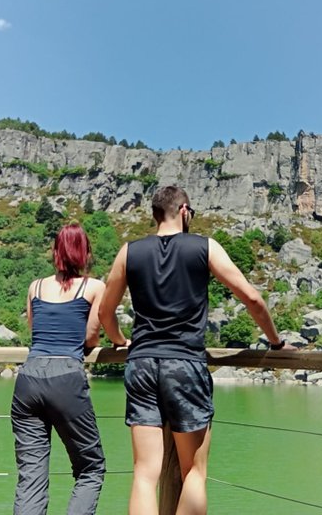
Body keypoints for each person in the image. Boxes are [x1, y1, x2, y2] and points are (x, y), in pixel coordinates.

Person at [99, 185, 295, 515]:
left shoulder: (129, 252)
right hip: (184, 365)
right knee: (193, 472)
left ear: (155, 214)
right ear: (185, 211)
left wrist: (120, 340)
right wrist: (276, 343)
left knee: (145, 475)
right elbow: (252, 299)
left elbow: (105, 312)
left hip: (142, 363)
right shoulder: (204, 248)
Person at [11, 223, 129, 515]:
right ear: (85, 253)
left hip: (28, 379)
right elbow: (91, 336)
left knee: (31, 475)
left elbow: (34, 329)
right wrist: (120, 341)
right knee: (90, 467)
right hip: (66, 379)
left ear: (56, 253)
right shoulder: (93, 287)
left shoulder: (35, 287)